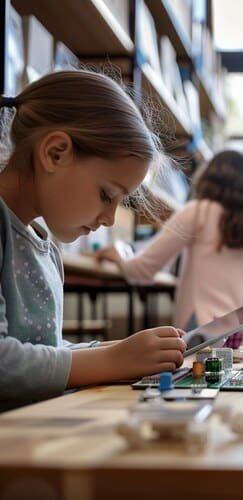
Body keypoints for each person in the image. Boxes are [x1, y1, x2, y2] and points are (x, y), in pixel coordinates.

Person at [0, 70, 186, 411]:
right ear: (55, 153)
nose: (110, 219)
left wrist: (119, 350)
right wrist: (114, 360)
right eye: (106, 194)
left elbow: (44, 352)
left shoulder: (41, 243)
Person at [96, 150, 243, 345]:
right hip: (235, 330)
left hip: (199, 327)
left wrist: (120, 257)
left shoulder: (197, 212)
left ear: (209, 177)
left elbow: (144, 268)